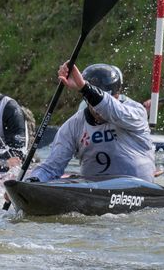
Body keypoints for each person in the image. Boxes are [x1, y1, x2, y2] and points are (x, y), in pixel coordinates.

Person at [27, 62, 156, 182]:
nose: (97, 109)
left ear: (117, 95)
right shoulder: (73, 126)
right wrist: (30, 182)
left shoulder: (135, 112)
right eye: (91, 102)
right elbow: (51, 168)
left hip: (137, 189)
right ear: (86, 99)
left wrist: (83, 87)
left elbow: (108, 106)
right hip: (93, 192)